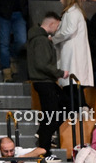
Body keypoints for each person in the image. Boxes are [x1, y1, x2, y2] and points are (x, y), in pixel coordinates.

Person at [27, 12, 69, 152]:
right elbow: (42, 64)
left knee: (58, 110)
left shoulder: (40, 39)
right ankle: (43, 147)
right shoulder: (41, 40)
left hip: (45, 81)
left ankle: (43, 135)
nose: (57, 29)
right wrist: (60, 73)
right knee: (52, 115)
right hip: (44, 81)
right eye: (57, 25)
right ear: (51, 24)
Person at [51, 0, 92, 88]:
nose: (60, 1)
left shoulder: (72, 13)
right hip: (73, 51)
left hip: (72, 53)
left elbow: (69, 31)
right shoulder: (74, 12)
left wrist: (54, 38)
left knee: (72, 84)